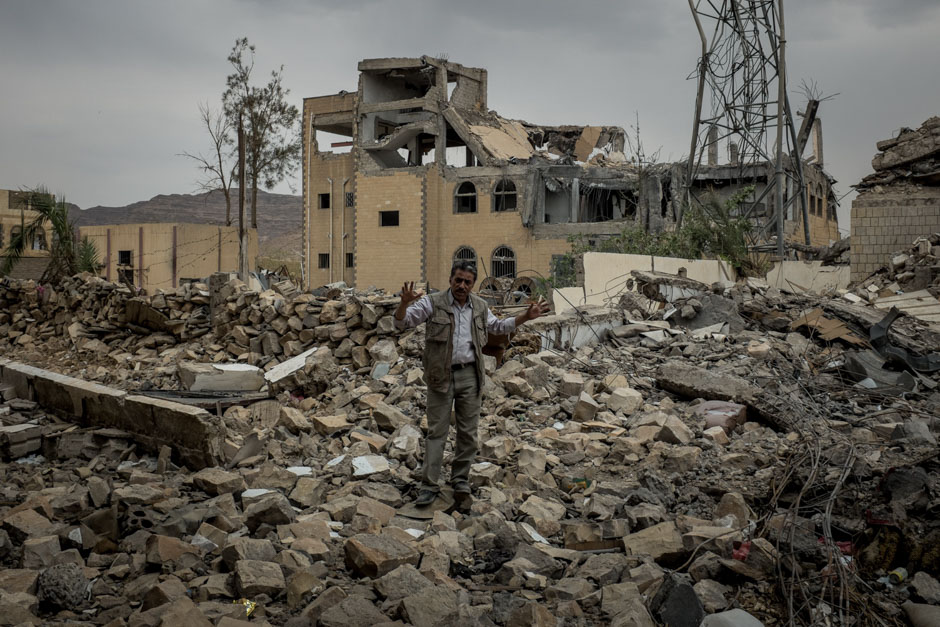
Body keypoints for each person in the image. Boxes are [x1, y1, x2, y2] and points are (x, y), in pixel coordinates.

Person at [394, 261, 549, 506]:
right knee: (436, 433)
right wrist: (404, 303)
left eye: (467, 281)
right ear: (450, 279)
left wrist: (525, 317)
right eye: (458, 280)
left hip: (470, 375)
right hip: (440, 375)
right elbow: (402, 323)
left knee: (468, 433)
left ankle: (460, 481)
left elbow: (498, 326)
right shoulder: (433, 303)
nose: (462, 285)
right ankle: (429, 485)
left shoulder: (480, 306)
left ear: (473, 284)